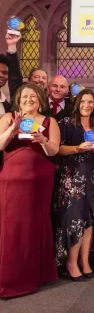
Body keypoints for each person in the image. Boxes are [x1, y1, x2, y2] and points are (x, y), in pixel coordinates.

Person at [0, 84, 60, 298]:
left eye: (33, 96)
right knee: (11, 227)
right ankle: (9, 278)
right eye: (25, 96)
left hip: (40, 183)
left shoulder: (49, 121)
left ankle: (34, 275)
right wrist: (12, 128)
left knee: (34, 226)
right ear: (18, 99)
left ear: (40, 99)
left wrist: (44, 140)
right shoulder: (9, 117)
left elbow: (54, 150)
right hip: (11, 181)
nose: (29, 99)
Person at [53, 89, 94, 280]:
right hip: (73, 178)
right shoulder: (66, 123)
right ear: (77, 102)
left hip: (93, 177)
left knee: (89, 219)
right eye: (83, 101)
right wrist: (77, 148)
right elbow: (56, 149)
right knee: (75, 219)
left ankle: (85, 261)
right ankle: (71, 262)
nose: (87, 105)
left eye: (91, 101)